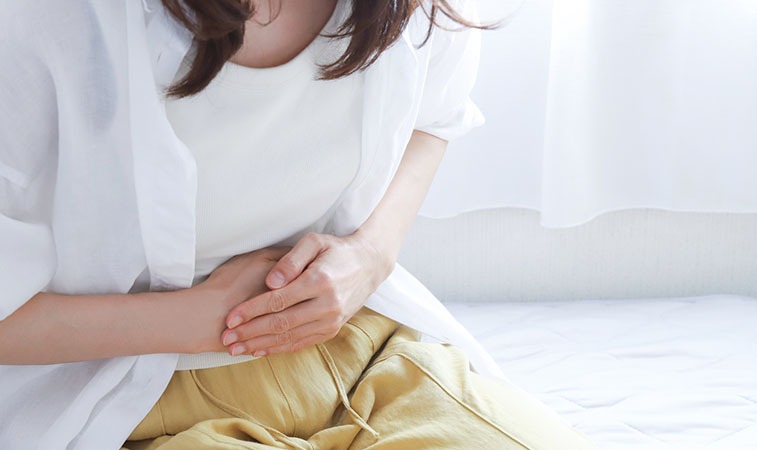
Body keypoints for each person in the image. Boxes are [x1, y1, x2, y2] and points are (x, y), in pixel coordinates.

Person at [0, 0, 595, 449]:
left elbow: (435, 117)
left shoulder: (410, 10)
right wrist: (194, 319)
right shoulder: (51, 20)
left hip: (362, 355)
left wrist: (371, 256)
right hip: (134, 398)